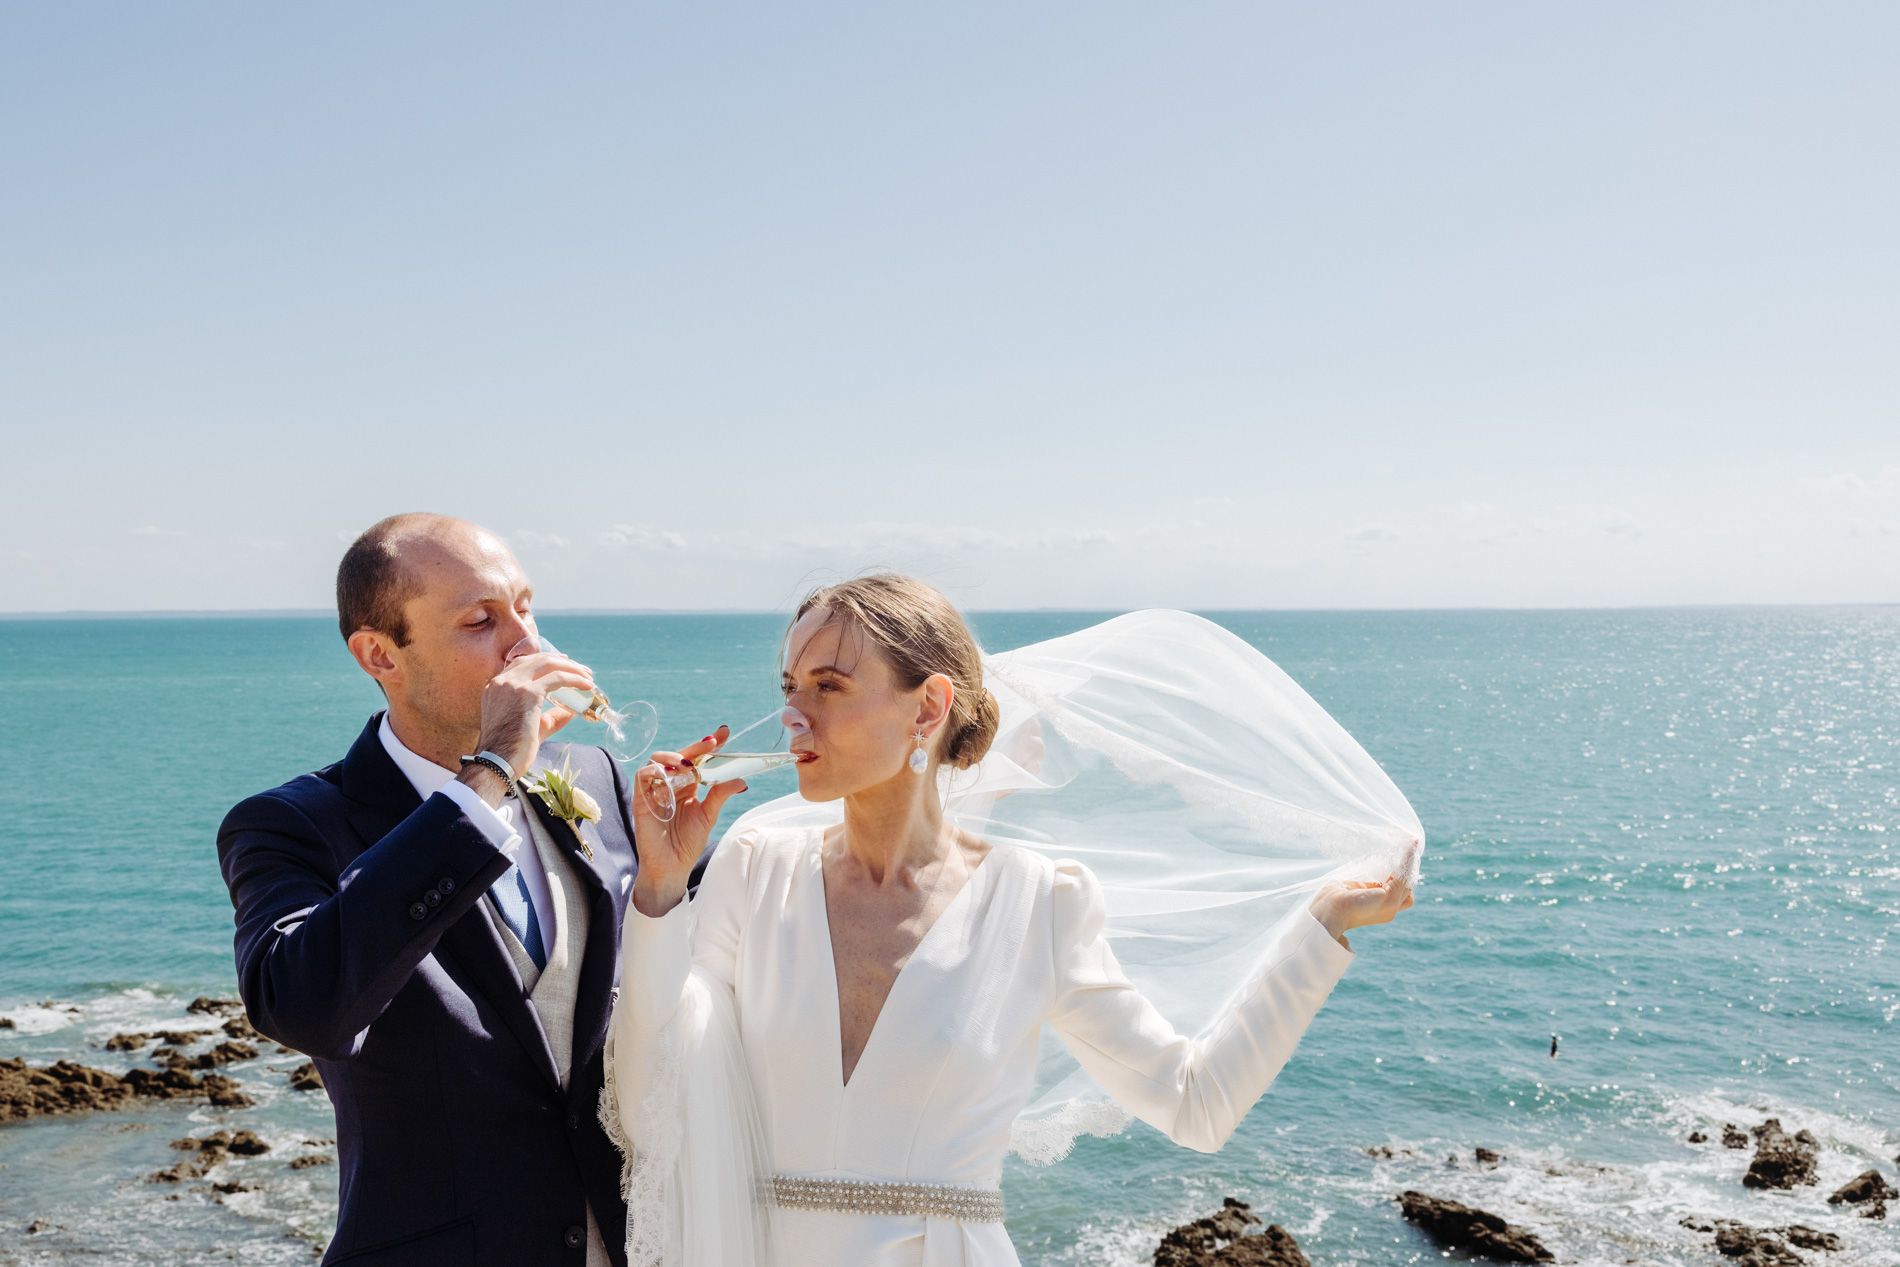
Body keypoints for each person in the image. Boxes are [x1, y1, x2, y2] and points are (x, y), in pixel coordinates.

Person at [606, 574, 1416, 1267]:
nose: (794, 715)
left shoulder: (1040, 902)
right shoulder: (755, 871)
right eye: (789, 687)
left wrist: (1322, 928)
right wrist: (659, 892)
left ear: (928, 707)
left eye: (829, 685)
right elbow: (652, 1101)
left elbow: (1195, 1102)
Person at [217, 514, 737, 1267]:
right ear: (379, 654)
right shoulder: (291, 824)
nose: (527, 643)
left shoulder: (598, 780)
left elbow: (744, 938)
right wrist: (487, 773)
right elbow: (302, 1005)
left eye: (526, 607)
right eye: (481, 620)